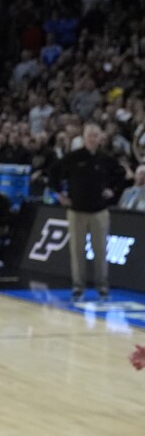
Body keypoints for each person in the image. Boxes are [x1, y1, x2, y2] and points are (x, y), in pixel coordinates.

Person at [50, 123, 125, 302]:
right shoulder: (74, 157)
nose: (92, 138)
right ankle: (78, 287)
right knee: (77, 252)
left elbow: (121, 175)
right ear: (83, 137)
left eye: (95, 135)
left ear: (100, 138)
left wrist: (113, 190)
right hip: (76, 211)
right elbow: (53, 172)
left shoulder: (105, 158)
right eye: (89, 135)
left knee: (100, 252)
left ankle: (103, 286)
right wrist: (59, 194)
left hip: (99, 211)